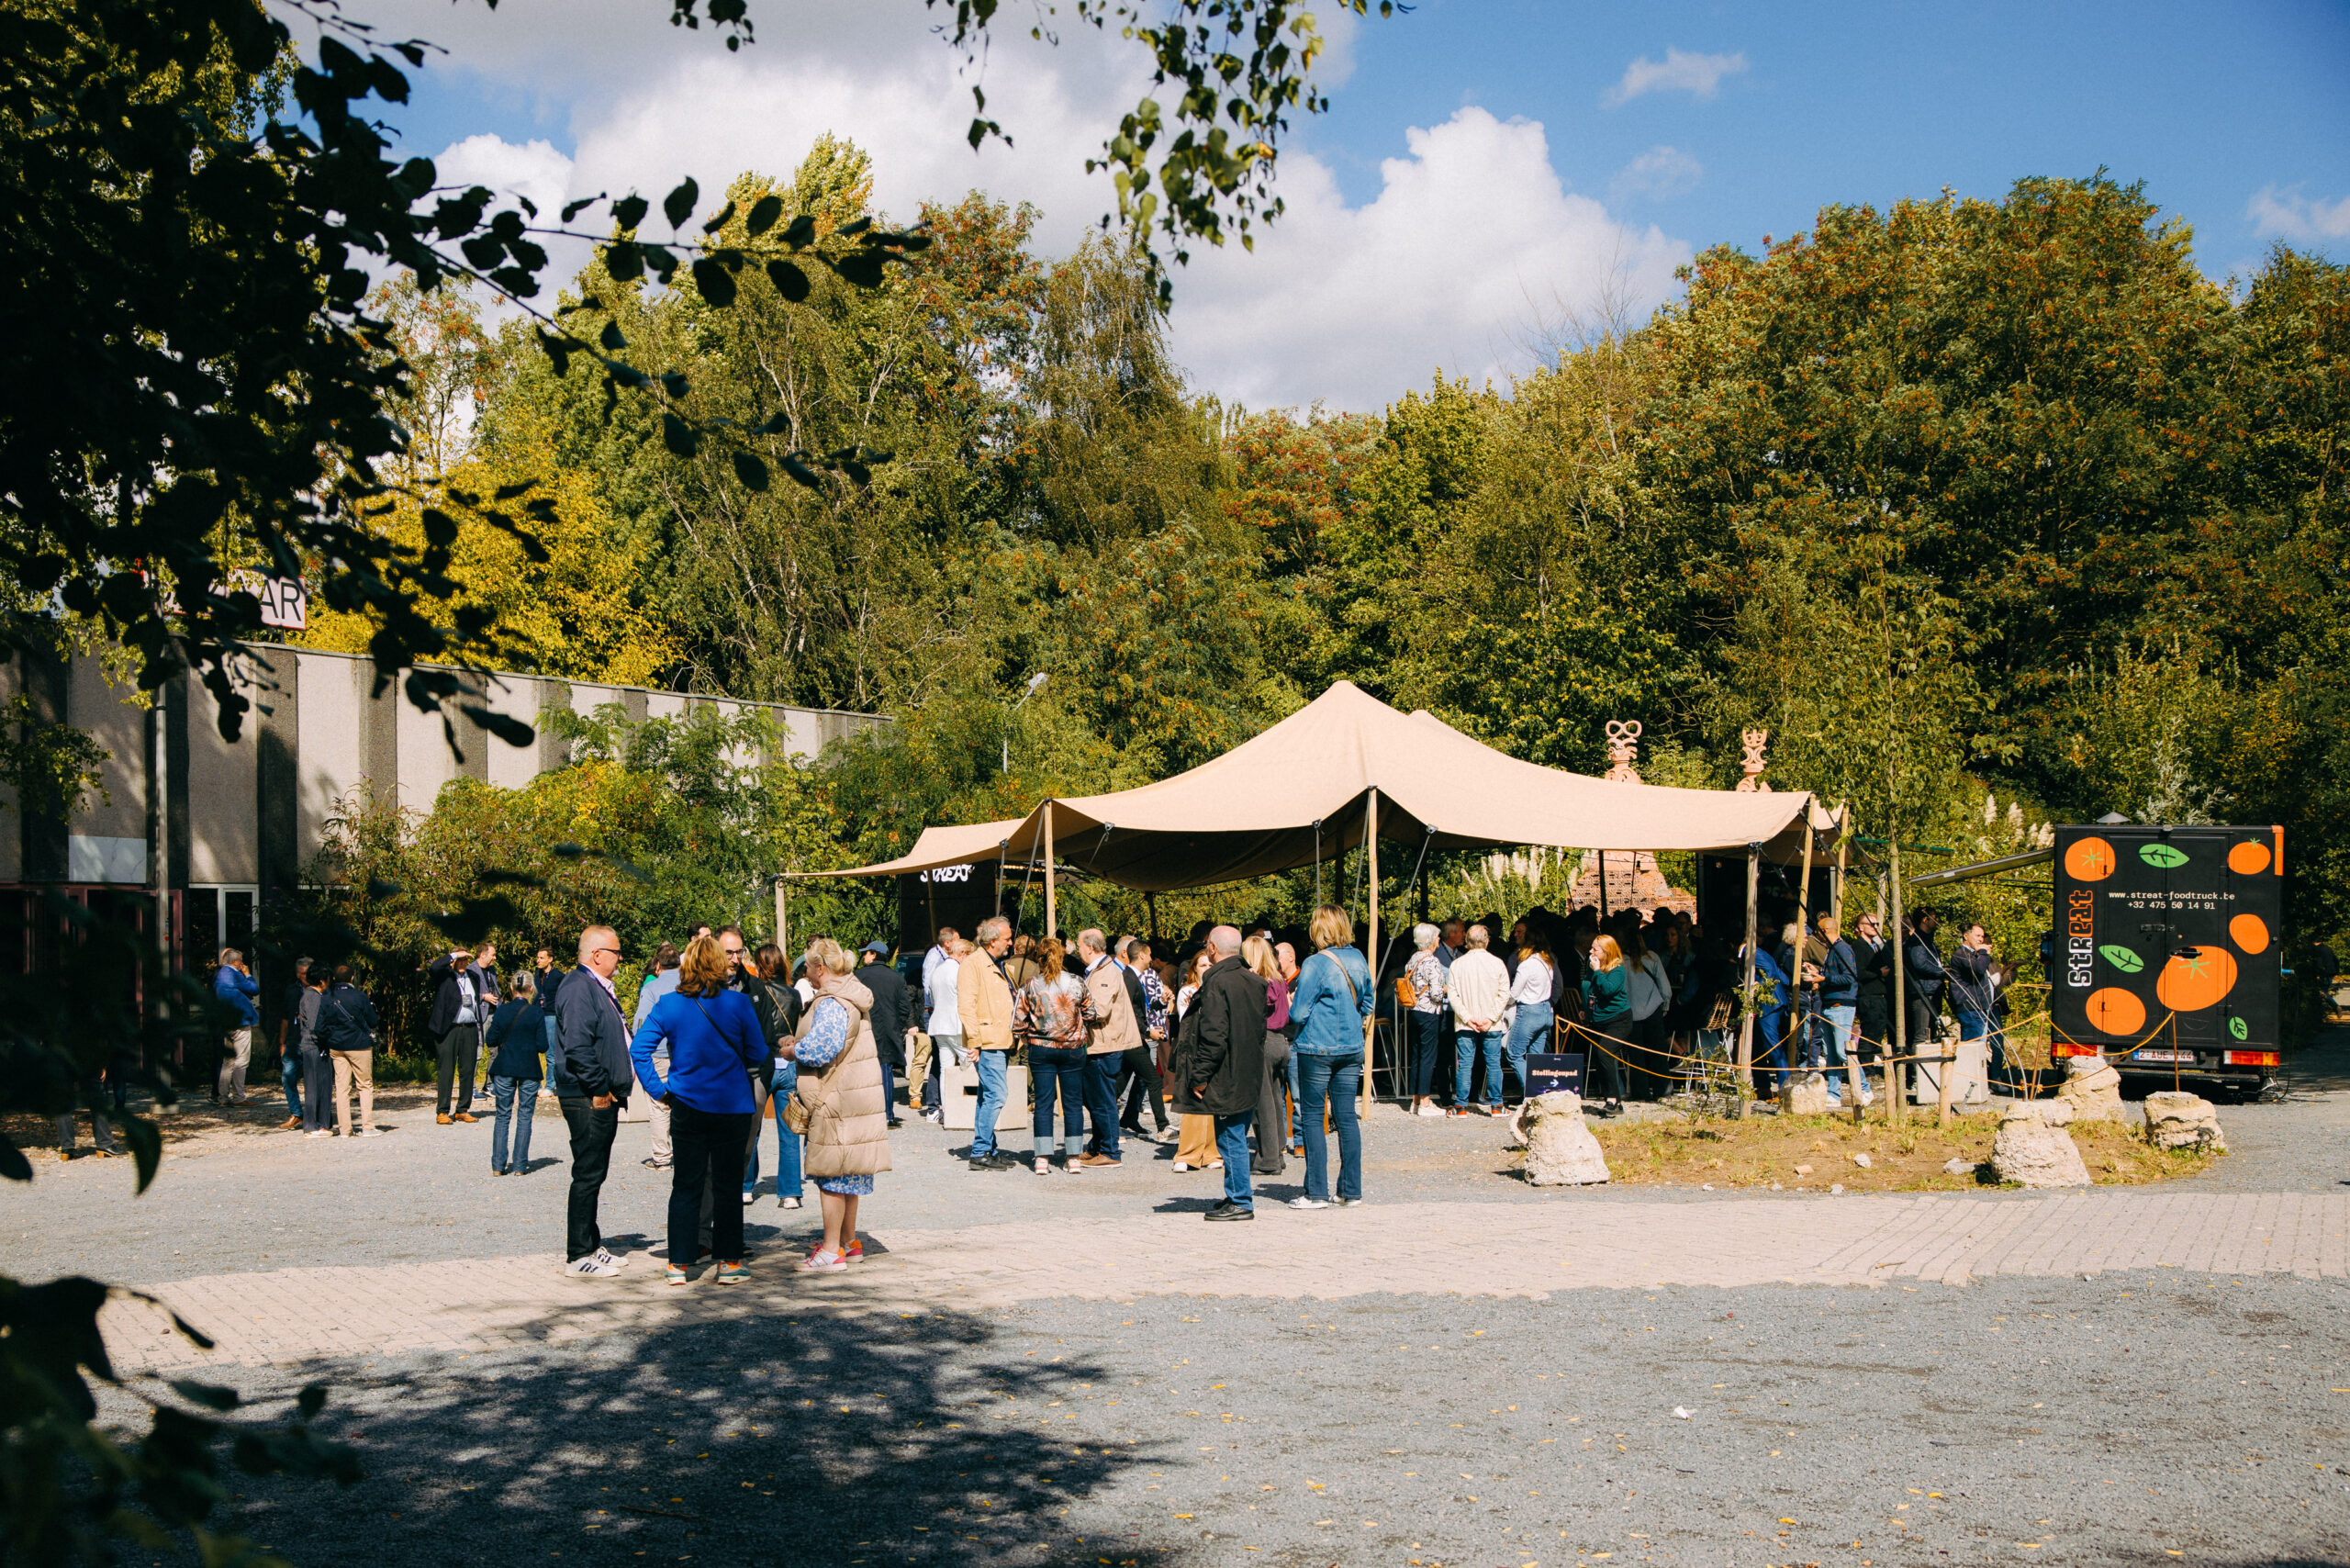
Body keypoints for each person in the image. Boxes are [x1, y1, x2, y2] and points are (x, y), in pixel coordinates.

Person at [632, 934, 766, 1285]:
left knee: (685, 1185)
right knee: (727, 1185)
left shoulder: (668, 1004)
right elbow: (758, 1052)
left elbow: (639, 1050)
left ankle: (678, 1263)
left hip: (687, 1104)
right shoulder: (738, 1004)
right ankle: (730, 1262)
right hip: (731, 1105)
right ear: (720, 964)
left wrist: (659, 1091)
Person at [789, 937, 892, 1271]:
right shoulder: (853, 995)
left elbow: (821, 1050)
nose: (805, 972)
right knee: (849, 1176)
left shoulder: (832, 1002)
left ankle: (832, 1250)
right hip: (854, 1096)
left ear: (820, 968)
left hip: (837, 1100)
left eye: (807, 967)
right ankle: (849, 1242)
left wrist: (793, 1049)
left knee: (831, 1174)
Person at [552, 924, 634, 1280]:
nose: (620, 958)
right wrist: (600, 1088)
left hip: (599, 1094)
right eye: (616, 952)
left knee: (595, 1172)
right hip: (586, 1096)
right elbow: (578, 1047)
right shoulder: (578, 987)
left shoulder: (594, 986)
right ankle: (578, 1255)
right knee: (587, 1174)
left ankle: (590, 1243)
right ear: (597, 954)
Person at [1172, 925, 1266, 1220]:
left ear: (1212, 948)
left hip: (1226, 1071)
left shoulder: (1217, 981)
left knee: (1230, 1137)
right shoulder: (1254, 980)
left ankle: (1240, 1200)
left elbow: (1213, 1035)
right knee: (1234, 1133)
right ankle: (1236, 1194)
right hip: (1248, 1067)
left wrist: (1199, 1076)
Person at [1284, 904, 1374, 1210]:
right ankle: (1351, 1190)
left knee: (1313, 1117)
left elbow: (1298, 1013)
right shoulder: (1358, 958)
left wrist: (1296, 1002)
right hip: (1351, 1046)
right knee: (1346, 1117)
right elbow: (1368, 1003)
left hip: (1317, 1047)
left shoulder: (1314, 963)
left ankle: (1316, 1192)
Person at [1016, 936, 1091, 1174]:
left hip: (1041, 1048)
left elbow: (1018, 1021)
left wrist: (1026, 1035)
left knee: (1043, 1103)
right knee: (1073, 1103)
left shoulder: (1030, 985)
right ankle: (1074, 1156)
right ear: (1063, 956)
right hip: (1072, 1048)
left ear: (1039, 958)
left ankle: (1042, 1158)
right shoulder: (1077, 982)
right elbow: (1091, 1012)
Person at [744, 942, 806, 1208]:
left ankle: (745, 1187)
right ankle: (790, 1193)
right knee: (790, 1129)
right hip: (788, 1063)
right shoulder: (794, 994)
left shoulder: (754, 992)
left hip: (762, 1064)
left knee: (751, 1128)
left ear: (760, 965)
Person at [1074, 930, 1141, 1167]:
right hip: (1098, 1044)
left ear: (1090, 947)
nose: (1078, 951)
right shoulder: (1098, 970)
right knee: (1095, 1100)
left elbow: (1099, 1010)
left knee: (1103, 1101)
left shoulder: (1106, 972)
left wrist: (1069, 1010)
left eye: (1079, 946)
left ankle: (1110, 1151)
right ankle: (1098, 1146)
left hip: (1104, 1046)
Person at [957, 916, 1019, 1170]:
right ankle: (980, 1151)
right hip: (987, 1041)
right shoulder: (973, 965)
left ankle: (988, 1150)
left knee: (987, 1096)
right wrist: (974, 1042)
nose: (1011, 943)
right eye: (1007, 939)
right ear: (993, 941)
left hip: (1000, 1040)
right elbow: (966, 1007)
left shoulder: (999, 964)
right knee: (996, 1095)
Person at [483, 969, 546, 1175]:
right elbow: (543, 1045)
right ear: (531, 988)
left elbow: (491, 1040)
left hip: (505, 1066)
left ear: (511, 988)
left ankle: (498, 1166)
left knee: (502, 1115)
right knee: (525, 1116)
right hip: (529, 1067)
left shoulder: (502, 1011)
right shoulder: (536, 1013)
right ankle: (519, 1166)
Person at [1445, 924, 1510, 1115]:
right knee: (1494, 1064)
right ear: (1487, 941)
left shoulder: (1457, 964)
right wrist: (1491, 1018)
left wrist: (1468, 1018)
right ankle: (1497, 1106)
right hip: (1492, 1023)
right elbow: (1504, 994)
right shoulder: (1497, 963)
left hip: (1465, 1023)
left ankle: (1461, 1107)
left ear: (1467, 942)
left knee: (1465, 1064)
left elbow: (1453, 995)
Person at [426, 941, 491, 1126]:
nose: (463, 963)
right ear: (453, 961)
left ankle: (462, 1109)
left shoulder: (473, 976)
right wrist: (454, 955)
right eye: (460, 960)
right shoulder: (445, 976)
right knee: (446, 1070)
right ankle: (442, 1111)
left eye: (465, 960)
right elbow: (434, 967)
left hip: (469, 1028)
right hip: (449, 1029)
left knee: (468, 1070)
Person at [314, 963, 383, 1138]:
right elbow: (373, 1021)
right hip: (359, 1045)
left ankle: (345, 1129)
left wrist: (330, 1039)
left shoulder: (327, 997)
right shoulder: (359, 996)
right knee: (364, 1085)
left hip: (337, 1047)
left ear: (334, 978)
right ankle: (368, 1127)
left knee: (342, 1088)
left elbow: (319, 1027)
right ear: (352, 978)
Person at [1241, 934, 1291, 1177]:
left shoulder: (1262, 982)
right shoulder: (1279, 979)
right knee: (1275, 1100)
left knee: (1263, 1104)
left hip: (1264, 1041)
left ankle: (1269, 1159)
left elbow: (1265, 1002)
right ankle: (1277, 1153)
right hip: (1280, 1041)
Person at [1169, 947, 1220, 1172]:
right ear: (1194, 969)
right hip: (1191, 1049)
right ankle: (1188, 1153)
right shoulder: (1187, 991)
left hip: (1211, 1047)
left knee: (1211, 1102)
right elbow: (1187, 1022)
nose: (1207, 968)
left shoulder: (1218, 988)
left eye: (1210, 965)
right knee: (1192, 1101)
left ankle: (1210, 1152)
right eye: (1202, 965)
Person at [1116, 938, 1171, 1142]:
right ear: (1141, 955)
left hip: (1136, 1037)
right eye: (1149, 954)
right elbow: (1129, 1012)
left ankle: (1128, 1118)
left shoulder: (1134, 977)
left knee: (1125, 1081)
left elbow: (1142, 1009)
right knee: (1152, 1079)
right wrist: (1148, 1031)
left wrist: (1160, 1002)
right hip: (1133, 1039)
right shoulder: (1128, 978)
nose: (1151, 959)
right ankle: (1163, 1126)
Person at [634, 942, 683, 1169]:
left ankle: (662, 1157)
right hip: (683, 1053)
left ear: (657, 966)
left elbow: (640, 1024)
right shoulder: (689, 984)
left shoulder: (652, 988)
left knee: (659, 1105)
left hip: (659, 1053)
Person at [854, 939, 912, 1129]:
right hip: (888, 1030)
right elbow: (904, 1007)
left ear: (874, 954)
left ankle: (865, 1115)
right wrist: (896, 1025)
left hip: (864, 1029)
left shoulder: (858, 976)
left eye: (866, 953)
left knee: (863, 1072)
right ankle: (887, 1115)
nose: (864, 956)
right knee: (886, 1070)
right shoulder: (896, 978)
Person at [1580, 935, 1633, 1117]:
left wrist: (1597, 971)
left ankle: (1613, 1099)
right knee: (1599, 1057)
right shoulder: (1592, 966)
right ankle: (1612, 1100)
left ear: (1606, 951)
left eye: (1595, 949)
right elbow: (1587, 987)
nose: (1590, 952)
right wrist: (1584, 1008)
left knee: (1605, 1053)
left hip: (1619, 1020)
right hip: (1598, 1020)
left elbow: (1607, 989)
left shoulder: (1617, 969)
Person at [1818, 914, 1867, 1106]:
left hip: (1841, 1005)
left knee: (1842, 1051)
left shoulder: (1842, 949)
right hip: (1828, 1004)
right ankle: (1834, 1093)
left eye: (1818, 932)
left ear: (1825, 931)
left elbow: (1849, 977)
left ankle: (1864, 1088)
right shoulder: (1832, 950)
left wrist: (1824, 979)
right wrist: (1818, 975)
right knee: (1830, 1052)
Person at [1504, 929, 1556, 1107]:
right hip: (1545, 1010)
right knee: (1535, 1057)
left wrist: (1502, 1003)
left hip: (1529, 1011)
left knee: (1514, 1053)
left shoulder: (1526, 965)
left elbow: (1514, 994)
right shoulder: (1547, 963)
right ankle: (1538, 1094)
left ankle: (1533, 1092)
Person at [1400, 924, 1448, 1117]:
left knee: (1416, 1055)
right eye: (1437, 937)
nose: (1439, 940)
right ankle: (1426, 1102)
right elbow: (1436, 994)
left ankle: (1415, 1101)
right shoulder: (1432, 961)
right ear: (1431, 940)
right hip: (1429, 1012)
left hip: (1413, 1011)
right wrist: (1445, 989)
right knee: (1428, 1056)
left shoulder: (1413, 959)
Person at [919, 932, 964, 1126]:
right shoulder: (949, 966)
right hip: (952, 1022)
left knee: (944, 1067)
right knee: (966, 1062)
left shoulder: (939, 968)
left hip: (939, 1022)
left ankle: (946, 1110)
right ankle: (955, 1108)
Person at [1949, 921, 2001, 1083]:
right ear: (1966, 936)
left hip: (1979, 1007)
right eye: (1977, 936)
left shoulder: (1973, 954)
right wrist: (1984, 952)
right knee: (1971, 1049)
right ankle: (1968, 1083)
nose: (1980, 940)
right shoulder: (1961, 954)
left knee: (1979, 1048)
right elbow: (1978, 969)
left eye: (1982, 937)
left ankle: (1977, 1084)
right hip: (1969, 1007)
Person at [1850, 911, 1894, 1079]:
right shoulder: (1858, 947)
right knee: (1869, 1033)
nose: (1875, 927)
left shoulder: (1874, 946)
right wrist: (1879, 973)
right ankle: (1865, 1070)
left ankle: (1869, 1068)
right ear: (1861, 927)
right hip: (1868, 995)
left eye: (1877, 924)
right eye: (1871, 924)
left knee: (1877, 1032)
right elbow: (1859, 972)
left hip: (1879, 994)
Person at [213, 947, 260, 1105]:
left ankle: (223, 1097)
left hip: (226, 1022)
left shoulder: (220, 975)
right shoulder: (235, 974)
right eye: (241, 960)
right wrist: (248, 974)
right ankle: (239, 1097)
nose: (242, 964)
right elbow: (254, 989)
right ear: (235, 961)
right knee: (242, 1060)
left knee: (228, 1061)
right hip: (241, 1022)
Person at [1904, 909, 1948, 1069]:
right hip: (1922, 991)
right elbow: (1920, 964)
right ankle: (1916, 1073)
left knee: (1932, 1032)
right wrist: (1941, 972)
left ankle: (1929, 1068)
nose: (1936, 922)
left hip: (1933, 990)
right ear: (1925, 920)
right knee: (1921, 1034)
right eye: (1934, 918)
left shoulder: (1929, 940)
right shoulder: (1917, 941)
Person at [275, 957, 313, 1130]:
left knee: (312, 1080)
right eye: (303, 973)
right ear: (298, 974)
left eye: (308, 973)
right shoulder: (291, 991)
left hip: (312, 1042)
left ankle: (313, 1114)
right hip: (293, 1040)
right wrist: (282, 1042)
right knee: (288, 1077)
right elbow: (285, 1018)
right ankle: (296, 1113)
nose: (306, 976)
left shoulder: (320, 991)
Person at [295, 965, 333, 1138]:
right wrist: (327, 1038)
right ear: (322, 981)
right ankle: (314, 1124)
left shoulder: (309, 996)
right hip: (315, 1045)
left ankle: (320, 1123)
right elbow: (315, 1025)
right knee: (317, 1085)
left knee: (317, 1085)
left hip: (311, 1044)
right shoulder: (313, 997)